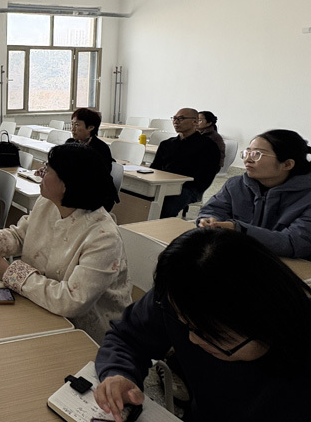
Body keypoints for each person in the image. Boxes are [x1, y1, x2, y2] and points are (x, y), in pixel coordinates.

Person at [94, 227, 311, 422]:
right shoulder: (183, 295)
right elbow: (127, 337)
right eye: (184, 323)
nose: (192, 339)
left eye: (209, 335)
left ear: (266, 323)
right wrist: (119, 373)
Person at [0, 144, 130, 342]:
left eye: (47, 169)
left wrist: (10, 273)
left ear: (67, 184)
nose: (40, 172)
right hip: (41, 307)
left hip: (87, 335)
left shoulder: (104, 237)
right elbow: (22, 235)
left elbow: (72, 301)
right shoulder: (47, 203)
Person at [197, 129, 311, 259]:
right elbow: (213, 209)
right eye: (247, 152)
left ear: (287, 164)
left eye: (257, 154)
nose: (248, 159)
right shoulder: (236, 184)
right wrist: (209, 220)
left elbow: (294, 243)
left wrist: (239, 230)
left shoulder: (307, 196)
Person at [150, 108, 220, 218]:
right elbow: (155, 168)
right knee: (136, 197)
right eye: (174, 118)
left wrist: (179, 184)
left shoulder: (208, 146)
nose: (176, 122)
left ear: (195, 122)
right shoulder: (166, 144)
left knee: (164, 208)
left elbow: (206, 176)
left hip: (188, 188)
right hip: (162, 184)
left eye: (181, 119)